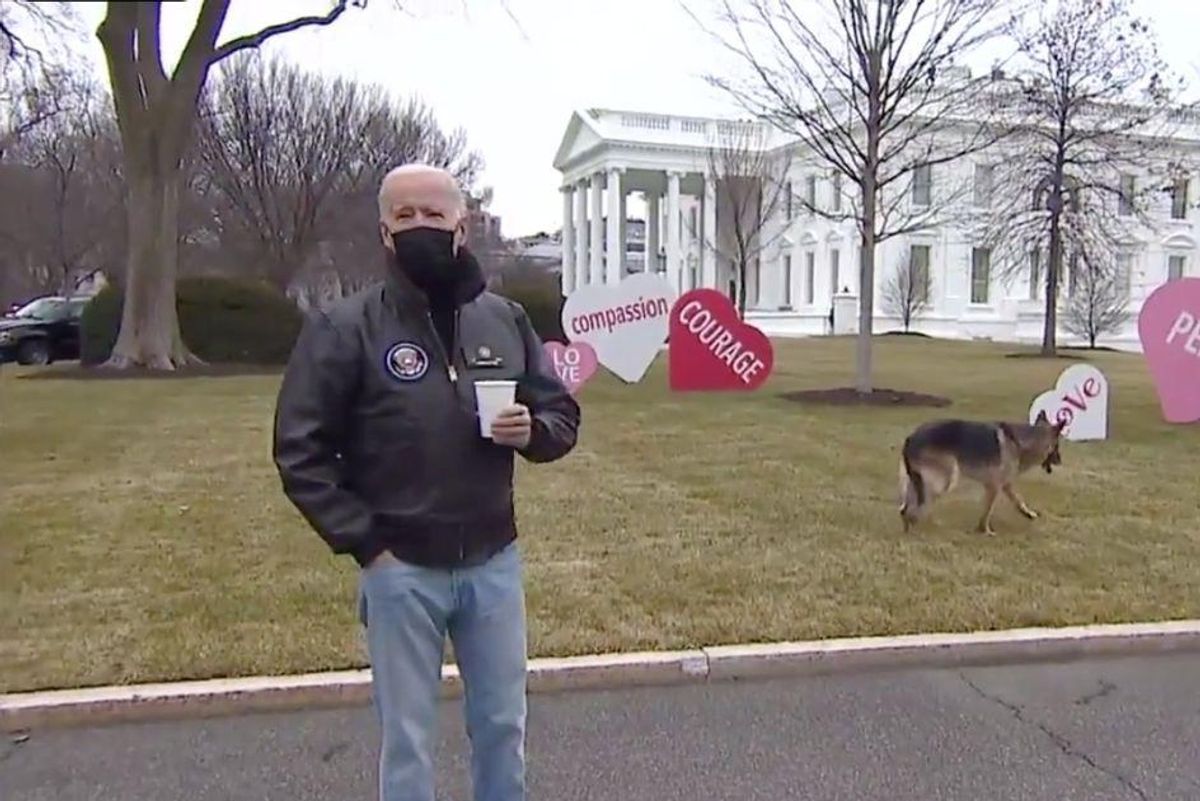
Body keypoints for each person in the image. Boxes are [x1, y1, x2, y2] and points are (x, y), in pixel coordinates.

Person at [272, 163, 580, 801]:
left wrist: (536, 432)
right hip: (400, 569)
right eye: (405, 217)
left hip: (493, 561)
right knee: (408, 739)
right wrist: (366, 544)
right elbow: (299, 452)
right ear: (385, 231)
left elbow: (560, 413)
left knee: (501, 725)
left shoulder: (504, 319)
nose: (420, 227)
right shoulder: (344, 328)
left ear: (461, 226)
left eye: (433, 216)